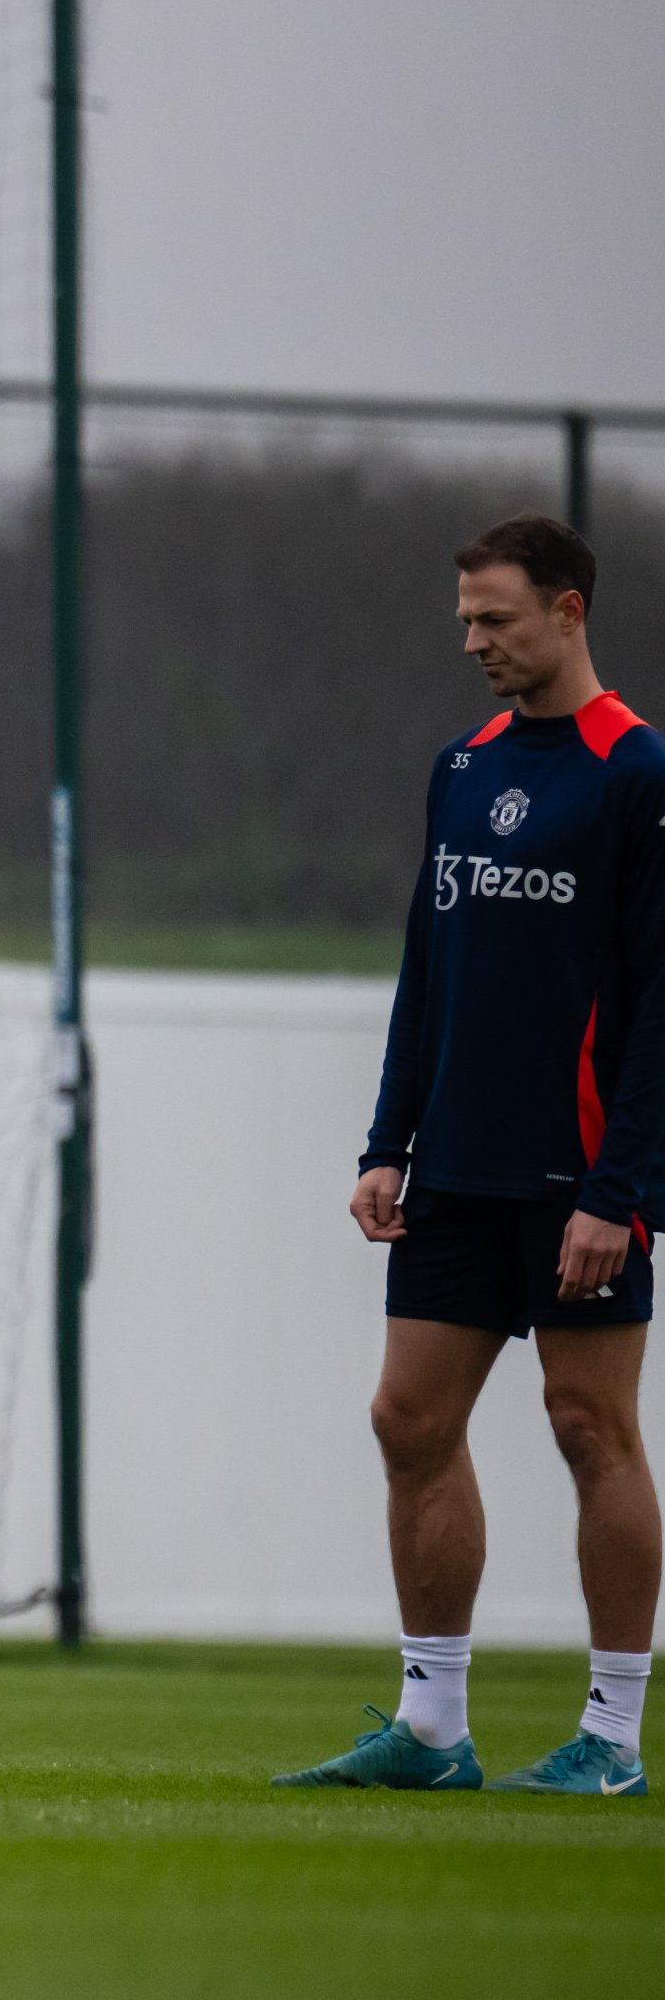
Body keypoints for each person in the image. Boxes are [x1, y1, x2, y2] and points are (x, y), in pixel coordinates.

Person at [276, 512, 662, 1796]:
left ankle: (610, 1738)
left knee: (586, 1425)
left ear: (568, 611)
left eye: (495, 618)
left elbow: (661, 1002)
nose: (475, 641)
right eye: (464, 623)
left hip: (581, 1183)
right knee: (406, 1418)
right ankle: (432, 1729)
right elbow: (423, 970)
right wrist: (389, 1140)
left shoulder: (636, 773)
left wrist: (623, 1191)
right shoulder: (461, 765)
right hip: (454, 1166)